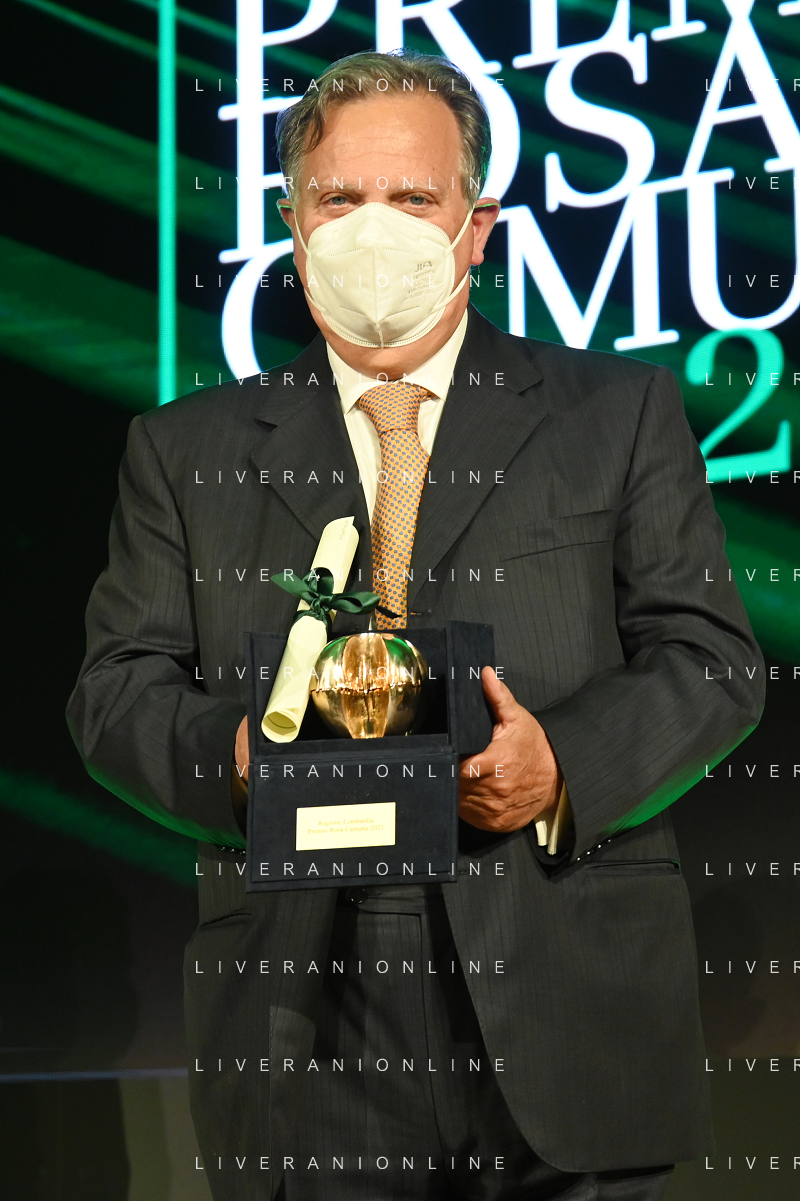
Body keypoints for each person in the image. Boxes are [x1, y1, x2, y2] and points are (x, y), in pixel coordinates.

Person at [66, 48, 764, 1201]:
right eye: (339, 198)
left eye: (411, 196)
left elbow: (711, 661)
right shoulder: (183, 450)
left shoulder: (615, 413)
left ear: (474, 227)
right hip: (305, 1024)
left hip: (565, 991)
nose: (372, 230)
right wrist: (234, 758)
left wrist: (559, 768)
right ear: (292, 224)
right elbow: (113, 691)